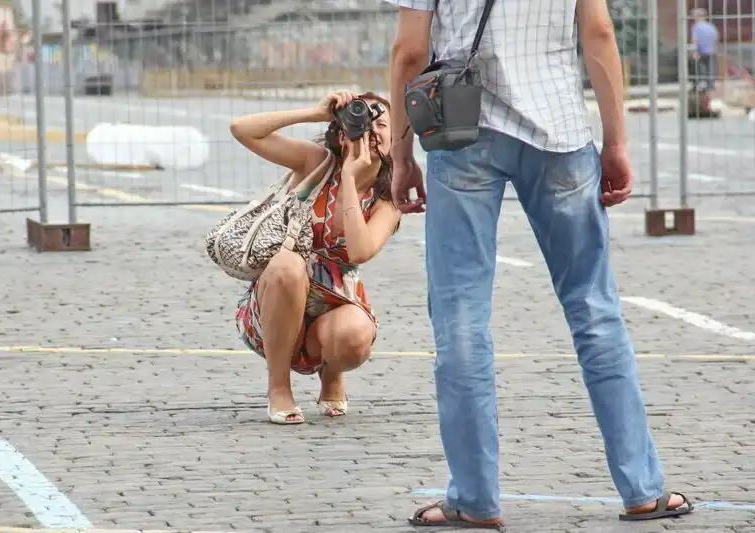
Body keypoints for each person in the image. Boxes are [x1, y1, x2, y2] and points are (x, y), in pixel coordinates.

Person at [384, 0, 694, 528]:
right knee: (594, 309)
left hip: (461, 129)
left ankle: (474, 499)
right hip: (559, 130)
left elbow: (409, 51)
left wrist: (400, 155)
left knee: (461, 317)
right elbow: (598, 32)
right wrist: (616, 142)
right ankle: (643, 489)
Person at [229, 90, 402, 425]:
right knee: (288, 265)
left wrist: (350, 177)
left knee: (354, 337)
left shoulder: (389, 198)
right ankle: (279, 387)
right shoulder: (316, 162)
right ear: (342, 134)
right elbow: (241, 129)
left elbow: (359, 251)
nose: (371, 131)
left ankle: (332, 371)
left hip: (336, 301)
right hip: (277, 296)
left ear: (394, 139)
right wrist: (315, 113)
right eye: (363, 123)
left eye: (381, 124)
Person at [690, 8, 719, 92]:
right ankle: (711, 84)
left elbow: (694, 40)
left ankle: (702, 84)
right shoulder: (710, 26)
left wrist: (694, 51)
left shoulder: (696, 26)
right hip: (711, 51)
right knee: (711, 68)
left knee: (701, 68)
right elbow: (715, 38)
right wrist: (715, 49)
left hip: (701, 51)